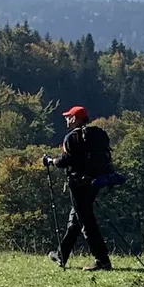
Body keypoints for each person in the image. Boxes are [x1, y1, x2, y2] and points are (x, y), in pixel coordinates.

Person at [44, 106, 113, 271]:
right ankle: (61, 255)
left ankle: (102, 261)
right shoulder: (95, 134)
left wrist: (51, 161)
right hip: (95, 182)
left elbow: (64, 161)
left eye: (68, 117)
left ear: (75, 119)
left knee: (86, 222)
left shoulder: (72, 137)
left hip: (78, 184)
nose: (66, 120)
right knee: (76, 220)